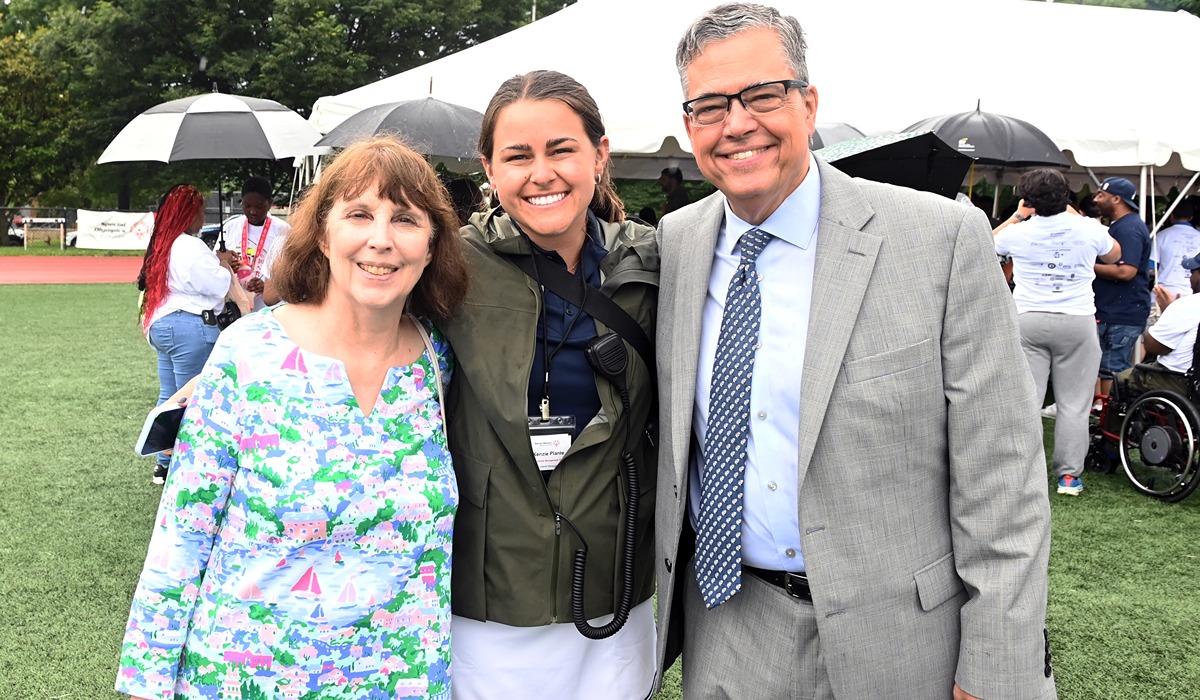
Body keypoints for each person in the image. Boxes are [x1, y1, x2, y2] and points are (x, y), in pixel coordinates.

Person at [654, 4, 1055, 699]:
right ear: (689, 126)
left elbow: (1005, 480)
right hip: (728, 629)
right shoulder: (676, 243)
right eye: (711, 105)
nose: (737, 122)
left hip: (903, 642)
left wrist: (997, 667)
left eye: (762, 95)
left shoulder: (941, 240)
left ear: (808, 104)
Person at [116, 136, 468, 700]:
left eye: (405, 218)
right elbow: (183, 532)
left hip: (402, 681)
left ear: (431, 247)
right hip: (246, 679)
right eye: (359, 213)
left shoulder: (437, 363)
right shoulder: (247, 353)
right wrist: (147, 685)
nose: (381, 239)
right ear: (323, 234)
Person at [439, 70, 659, 700]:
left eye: (562, 149)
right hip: (491, 593)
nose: (542, 173)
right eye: (517, 156)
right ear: (489, 167)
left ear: (600, 154)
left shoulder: (653, 261)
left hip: (615, 581)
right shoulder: (445, 266)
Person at [993, 172, 1121, 496]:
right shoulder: (1090, 228)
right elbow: (1115, 255)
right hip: (1077, 320)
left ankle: (1020, 475)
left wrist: (1019, 215)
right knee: (1075, 404)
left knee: (1026, 401)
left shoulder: (1018, 232)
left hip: (1028, 318)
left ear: (1028, 200)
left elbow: (984, 242)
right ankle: (1068, 477)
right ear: (1066, 196)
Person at [136, 184, 237, 485]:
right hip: (189, 328)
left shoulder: (162, 243)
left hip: (162, 325)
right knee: (195, 400)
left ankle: (163, 465)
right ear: (188, 213)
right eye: (200, 210)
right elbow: (217, 285)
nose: (201, 215)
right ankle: (193, 468)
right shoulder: (191, 246)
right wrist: (224, 264)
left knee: (170, 397)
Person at [1092, 177, 1151, 400]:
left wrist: (1088, 265)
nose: (1096, 200)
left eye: (1101, 195)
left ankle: (1109, 420)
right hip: (1113, 310)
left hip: (1122, 313)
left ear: (1116, 199)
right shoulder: (1121, 225)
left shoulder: (1129, 228)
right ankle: (1099, 409)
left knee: (1112, 367)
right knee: (1100, 364)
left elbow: (1126, 271)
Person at [222, 175, 293, 311]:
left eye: (259, 206)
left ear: (270, 203)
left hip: (270, 307)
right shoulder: (230, 227)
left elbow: (290, 268)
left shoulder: (282, 230)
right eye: (247, 206)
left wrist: (269, 285)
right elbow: (218, 261)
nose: (253, 211)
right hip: (237, 303)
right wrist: (229, 265)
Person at [1151, 199, 1200, 299]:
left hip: (1163, 292)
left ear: (1171, 216)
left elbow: (1151, 268)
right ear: (1191, 217)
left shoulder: (1161, 236)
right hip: (1192, 293)